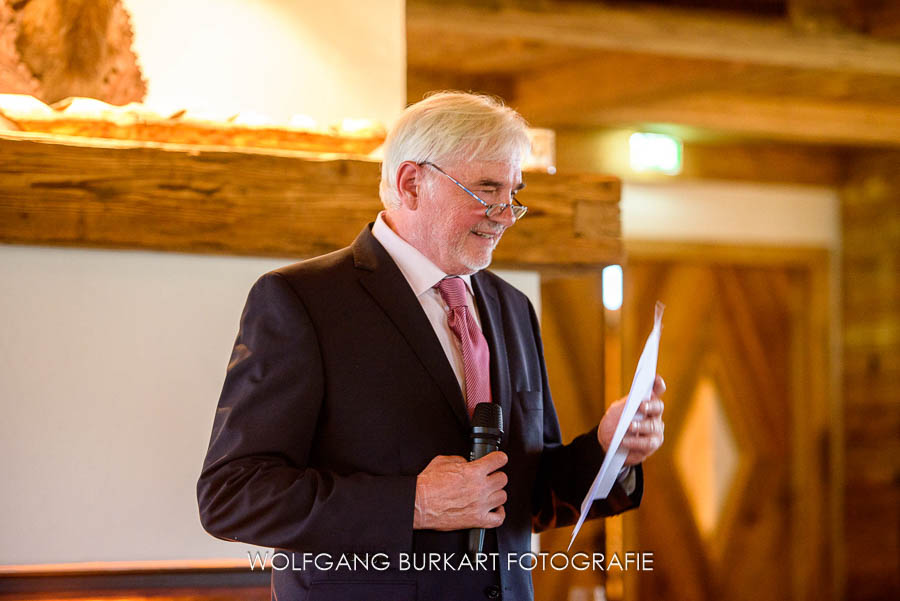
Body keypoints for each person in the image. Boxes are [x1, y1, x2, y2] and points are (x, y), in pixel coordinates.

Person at [197, 91, 665, 601]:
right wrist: (412, 502)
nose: (506, 215)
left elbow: (526, 496)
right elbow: (233, 495)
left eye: (514, 194)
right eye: (488, 190)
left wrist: (607, 450)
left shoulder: (511, 307)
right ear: (411, 184)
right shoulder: (303, 301)